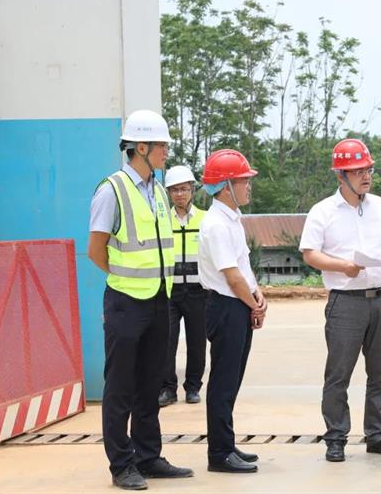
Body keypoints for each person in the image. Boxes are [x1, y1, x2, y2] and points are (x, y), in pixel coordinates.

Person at [88, 110, 193, 490]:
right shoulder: (112, 190)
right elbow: (96, 250)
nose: (166, 151)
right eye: (162, 145)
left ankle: (148, 457)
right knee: (121, 387)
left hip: (159, 300)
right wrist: (124, 281)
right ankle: (121, 465)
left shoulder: (158, 192)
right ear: (141, 147)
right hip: (126, 302)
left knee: (150, 384)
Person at [299, 138, 381, 463]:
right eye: (358, 171)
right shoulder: (323, 211)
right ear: (340, 175)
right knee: (339, 374)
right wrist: (342, 266)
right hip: (346, 302)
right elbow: (309, 253)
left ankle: (377, 436)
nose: (366, 176)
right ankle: (335, 438)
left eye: (368, 170)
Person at [198, 149, 268, 473]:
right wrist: (253, 304)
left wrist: (257, 295)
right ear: (226, 186)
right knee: (223, 383)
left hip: (238, 305)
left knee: (232, 380)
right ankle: (219, 453)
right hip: (226, 307)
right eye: (243, 181)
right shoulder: (216, 225)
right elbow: (232, 276)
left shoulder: (232, 219)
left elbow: (243, 267)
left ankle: (226, 443)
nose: (248, 186)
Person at [158, 165, 207, 407]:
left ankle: (193, 387)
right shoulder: (162, 220)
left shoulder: (205, 219)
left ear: (192, 190)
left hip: (198, 290)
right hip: (170, 290)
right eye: (175, 190)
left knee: (197, 341)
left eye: (184, 189)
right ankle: (168, 389)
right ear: (168, 193)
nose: (180, 194)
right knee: (166, 341)